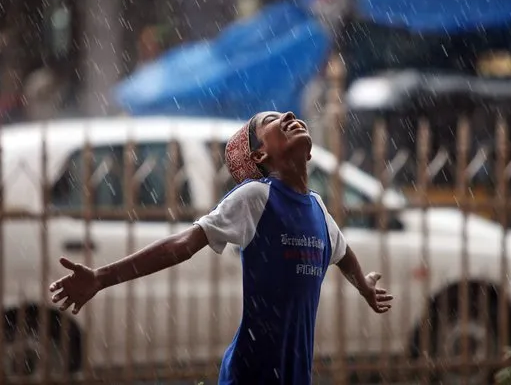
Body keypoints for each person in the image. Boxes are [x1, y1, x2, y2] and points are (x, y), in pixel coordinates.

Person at [49, 110, 393, 385]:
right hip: (250, 374)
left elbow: (343, 252)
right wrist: (101, 277)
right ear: (260, 154)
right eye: (271, 121)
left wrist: (363, 285)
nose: (288, 114)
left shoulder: (319, 211)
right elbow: (184, 244)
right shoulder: (257, 198)